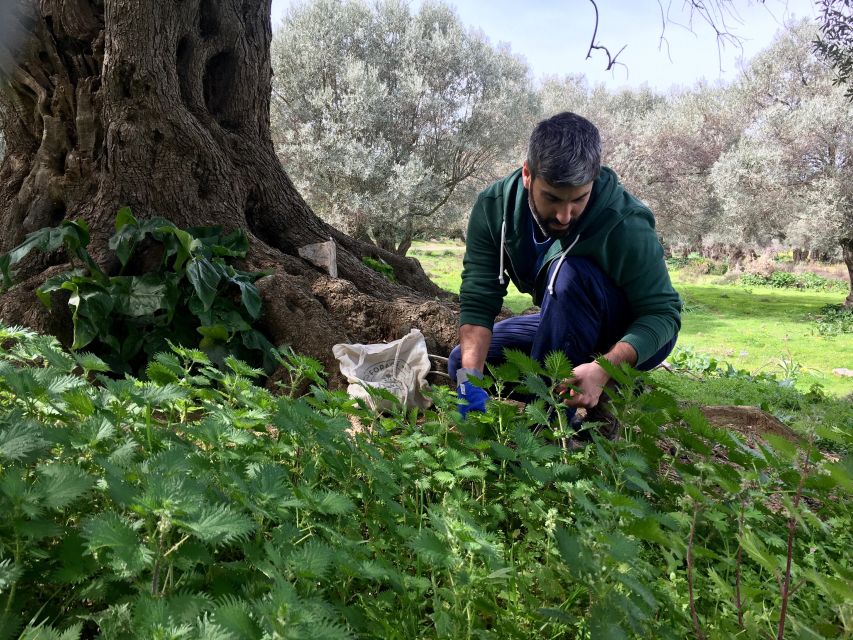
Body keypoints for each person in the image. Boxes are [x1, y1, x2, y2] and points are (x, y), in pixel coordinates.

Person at [449, 112, 681, 426]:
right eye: (552, 199)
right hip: (566, 324)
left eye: (578, 200)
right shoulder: (494, 208)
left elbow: (664, 315)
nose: (564, 215)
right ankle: (580, 389)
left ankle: (549, 424)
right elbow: (479, 298)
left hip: (625, 336)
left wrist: (605, 369)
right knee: (464, 365)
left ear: (594, 178)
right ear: (528, 174)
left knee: (570, 271)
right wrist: (469, 383)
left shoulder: (626, 222)